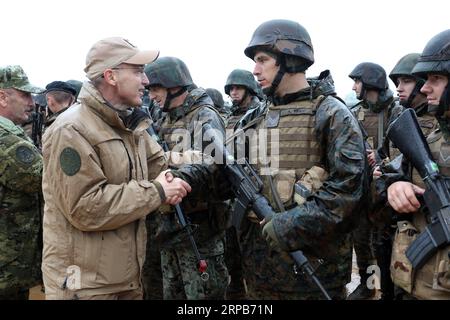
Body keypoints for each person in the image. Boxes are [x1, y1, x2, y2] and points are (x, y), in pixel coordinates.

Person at [41, 37, 191, 300]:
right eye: (137, 71)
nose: (145, 81)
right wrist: (157, 191)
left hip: (124, 278)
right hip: (85, 286)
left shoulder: (127, 124)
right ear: (110, 76)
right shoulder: (71, 129)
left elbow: (159, 164)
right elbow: (85, 207)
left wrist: (192, 166)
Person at [234, 19, 367, 299]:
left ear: (290, 59)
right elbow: (227, 173)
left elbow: (349, 189)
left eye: (262, 60)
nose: (255, 70)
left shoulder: (331, 114)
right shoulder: (253, 118)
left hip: (313, 274)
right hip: (260, 273)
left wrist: (290, 224)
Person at [145, 56, 230, 300]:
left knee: (203, 295)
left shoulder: (204, 116)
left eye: (155, 89)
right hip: (169, 227)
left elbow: (214, 166)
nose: (152, 96)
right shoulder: (164, 118)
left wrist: (173, 175)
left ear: (174, 86)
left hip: (199, 230)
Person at [386, 29, 450, 300]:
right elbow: (383, 183)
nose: (424, 88)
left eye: (436, 79)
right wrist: (393, 186)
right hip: (412, 285)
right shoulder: (429, 140)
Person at [347, 62, 399, 300]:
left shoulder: (394, 111)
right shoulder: (356, 111)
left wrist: (380, 156)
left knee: (385, 244)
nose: (354, 86)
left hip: (386, 187)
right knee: (361, 240)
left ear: (369, 83)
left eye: (357, 81)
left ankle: (389, 288)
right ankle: (368, 286)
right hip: (363, 187)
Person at [0, 65, 44, 299]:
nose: (32, 101)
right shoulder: (5, 139)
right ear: (2, 97)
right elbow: (46, 181)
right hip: (8, 268)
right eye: (25, 94)